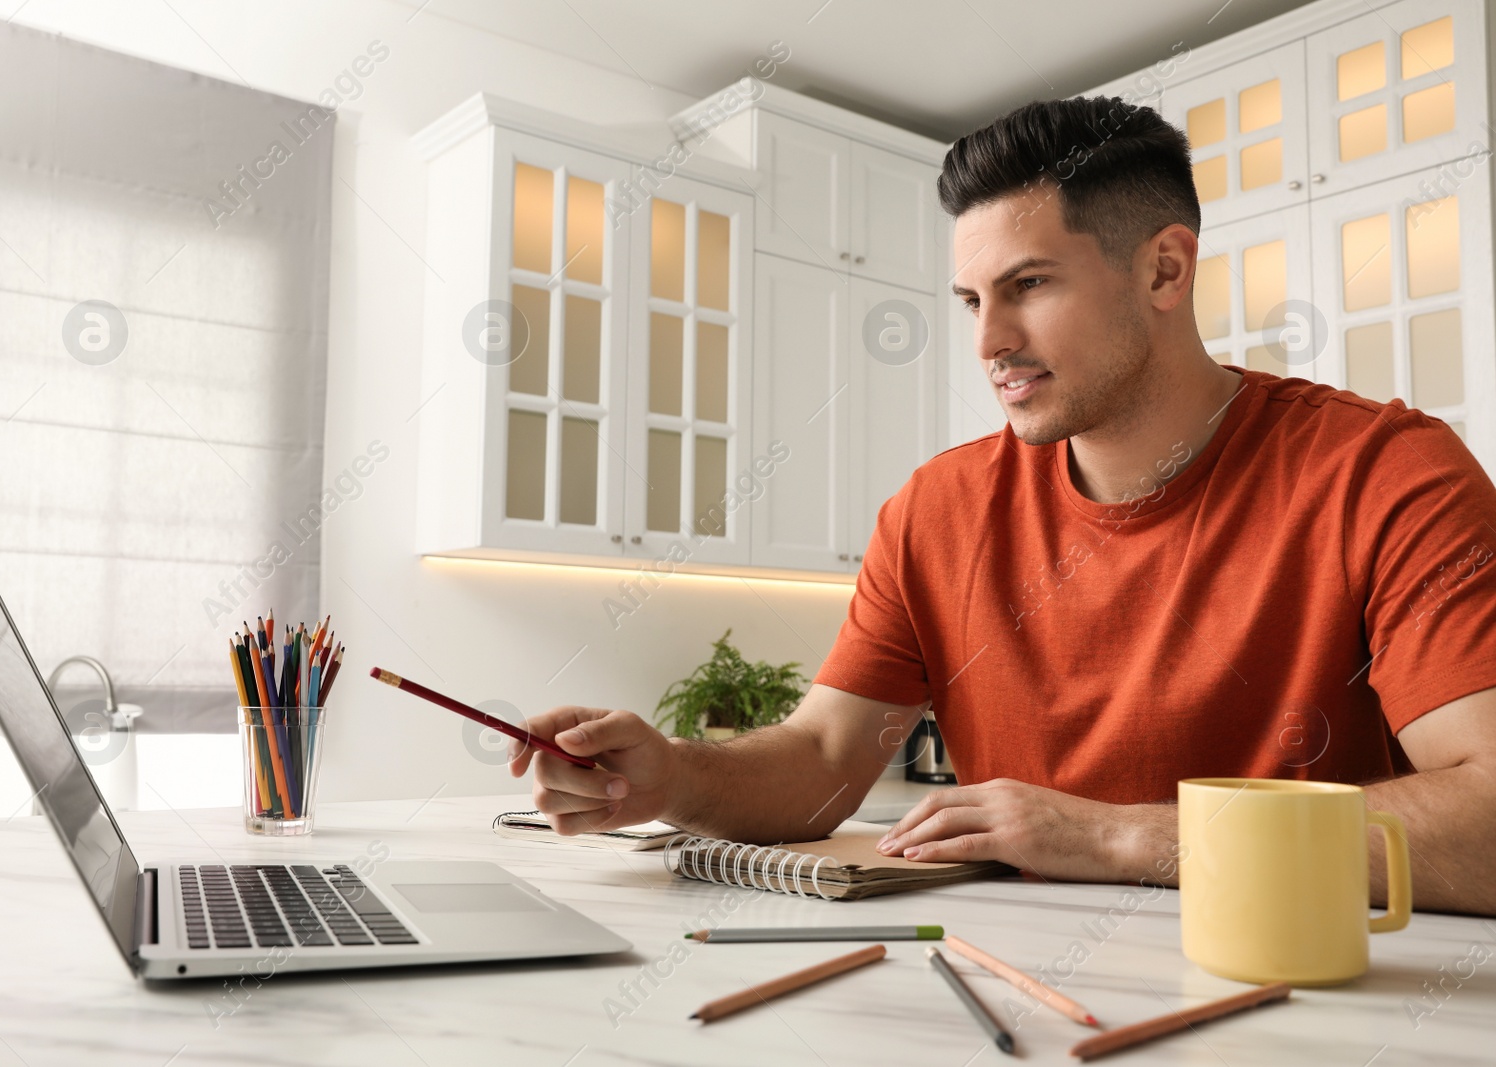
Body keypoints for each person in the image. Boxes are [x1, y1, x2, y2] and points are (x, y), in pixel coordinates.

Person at [509, 95, 1496, 916]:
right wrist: (671, 776)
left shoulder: (1383, 471)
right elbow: (822, 756)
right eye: (971, 300)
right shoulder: (933, 510)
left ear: (1163, 268)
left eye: (1028, 284)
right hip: (999, 986)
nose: (989, 342)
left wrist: (1110, 833)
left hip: (1301, 990)